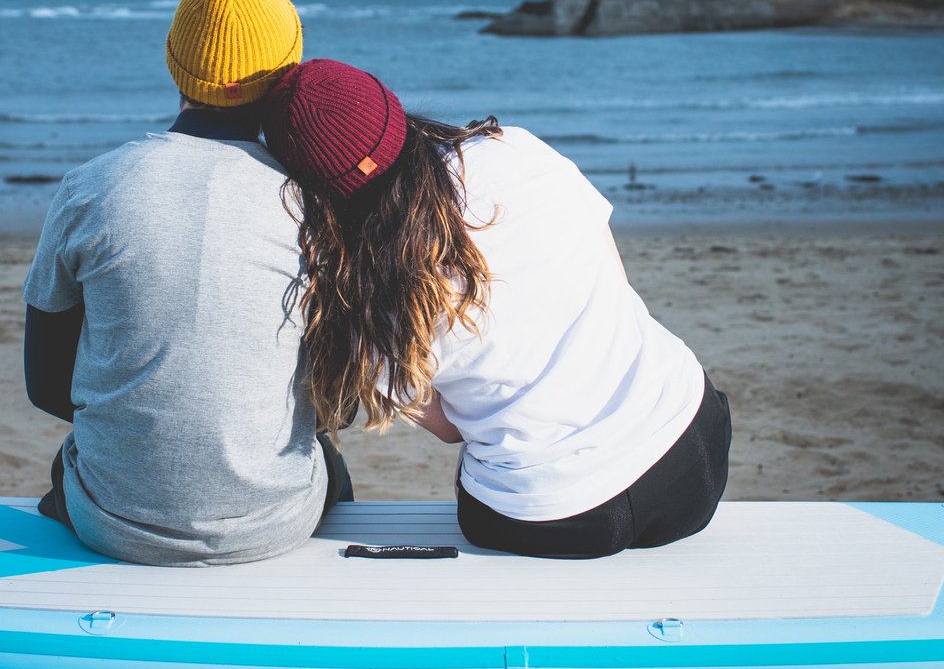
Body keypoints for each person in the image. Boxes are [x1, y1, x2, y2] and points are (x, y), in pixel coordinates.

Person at [261, 58, 730, 560]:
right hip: (694, 449)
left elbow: (449, 430)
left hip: (555, 516)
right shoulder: (515, 150)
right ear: (390, 107)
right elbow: (616, 280)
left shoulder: (364, 297)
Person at [23, 0, 351, 566]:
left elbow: (45, 388)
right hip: (275, 528)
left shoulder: (90, 188)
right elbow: (340, 404)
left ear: (175, 65)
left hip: (112, 521)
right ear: (291, 69)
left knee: (73, 459)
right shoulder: (315, 205)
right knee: (328, 460)